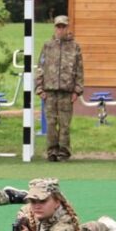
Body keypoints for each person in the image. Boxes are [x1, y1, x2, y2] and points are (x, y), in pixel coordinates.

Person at [35, 15, 84, 162]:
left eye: (63, 26)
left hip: (66, 92)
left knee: (64, 124)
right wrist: (39, 88)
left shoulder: (75, 46)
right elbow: (40, 67)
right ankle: (52, 151)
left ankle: (64, 152)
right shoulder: (47, 46)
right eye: (58, 26)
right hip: (49, 91)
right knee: (50, 123)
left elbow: (80, 70)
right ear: (54, 27)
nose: (60, 29)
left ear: (67, 28)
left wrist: (77, 90)